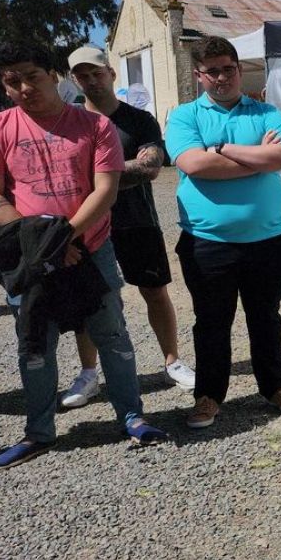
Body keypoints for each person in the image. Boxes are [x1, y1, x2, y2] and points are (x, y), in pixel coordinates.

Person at [0, 42, 168, 469]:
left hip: (91, 249)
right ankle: (39, 432)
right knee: (35, 345)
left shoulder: (94, 126)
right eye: (12, 81)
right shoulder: (0, 128)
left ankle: (132, 416)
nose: (23, 88)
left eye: (32, 77)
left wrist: (64, 239)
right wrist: (44, 245)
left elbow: (105, 190)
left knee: (112, 335)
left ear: (54, 76)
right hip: (30, 257)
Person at [164, 36, 281, 429]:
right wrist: (256, 157)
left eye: (229, 68)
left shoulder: (266, 111)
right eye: (213, 71)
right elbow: (194, 165)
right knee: (212, 322)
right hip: (207, 243)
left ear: (240, 70)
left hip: (268, 240)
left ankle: (274, 385)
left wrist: (222, 149)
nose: (222, 77)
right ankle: (209, 395)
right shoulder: (184, 116)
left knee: (267, 318)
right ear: (199, 75)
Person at [54, 46, 195, 409]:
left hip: (137, 221)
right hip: (86, 224)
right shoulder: (68, 124)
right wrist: (115, 172)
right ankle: (89, 373)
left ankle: (172, 361)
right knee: (89, 300)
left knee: (155, 291)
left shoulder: (139, 120)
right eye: (82, 76)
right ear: (74, 81)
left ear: (111, 74)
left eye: (97, 73)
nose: (91, 81)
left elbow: (150, 167)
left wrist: (96, 175)